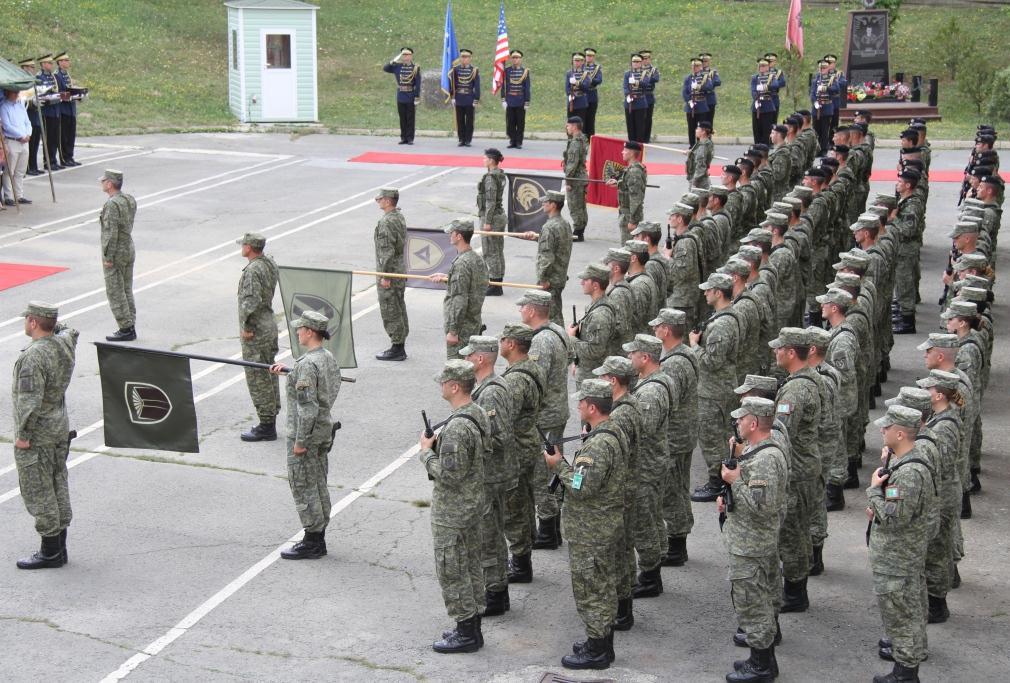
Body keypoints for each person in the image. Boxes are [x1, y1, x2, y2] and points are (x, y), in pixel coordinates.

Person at [546, 378, 626, 670]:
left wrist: (559, 466)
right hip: (601, 526)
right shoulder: (609, 431)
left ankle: (598, 649)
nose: (578, 405)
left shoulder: (599, 445)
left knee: (592, 589)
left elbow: (581, 486)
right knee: (600, 586)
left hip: (591, 530)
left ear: (592, 407)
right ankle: (599, 641)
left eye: (581, 402)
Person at [418, 359, 489, 653]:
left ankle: (466, 631)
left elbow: (450, 473)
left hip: (454, 511)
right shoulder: (476, 412)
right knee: (470, 565)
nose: (440, 386)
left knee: (453, 569)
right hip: (471, 505)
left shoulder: (458, 427)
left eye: (443, 382)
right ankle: (471, 625)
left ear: (455, 386)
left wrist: (426, 454)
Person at [720, 396, 788, 683]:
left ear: (754, 422)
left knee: (753, 602)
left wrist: (735, 482)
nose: (737, 421)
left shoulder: (765, 459)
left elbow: (762, 507)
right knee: (763, 598)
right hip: (754, 540)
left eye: (741, 417)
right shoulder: (758, 450)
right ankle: (762, 659)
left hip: (752, 544)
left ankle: (761, 666)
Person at [867, 405, 934, 683]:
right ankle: (906, 665)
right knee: (908, 611)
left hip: (898, 557)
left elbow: (894, 519)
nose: (881, 430)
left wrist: (873, 492)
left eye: (886, 427)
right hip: (902, 554)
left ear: (900, 433)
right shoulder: (904, 460)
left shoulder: (908, 473)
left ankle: (906, 674)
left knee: (902, 616)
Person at [266, 311, 341, 560]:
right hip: (322, 431)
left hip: (306, 435)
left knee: (303, 484)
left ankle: (313, 540)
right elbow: (326, 390)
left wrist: (300, 441)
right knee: (318, 481)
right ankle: (318, 534)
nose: (297, 332)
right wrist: (290, 375)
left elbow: (307, 407)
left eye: (300, 329)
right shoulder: (325, 358)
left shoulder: (307, 364)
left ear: (310, 332)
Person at [13, 302, 79, 570]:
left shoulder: (32, 357)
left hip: (38, 434)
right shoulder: (63, 345)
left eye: (27, 320)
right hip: (59, 429)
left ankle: (50, 551)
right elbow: (70, 331)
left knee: (39, 491)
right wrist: (53, 325)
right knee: (58, 483)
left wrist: (23, 436)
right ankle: (60, 548)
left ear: (32, 322)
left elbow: (30, 401)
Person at [460, 336, 515, 617]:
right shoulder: (486, 388)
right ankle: (496, 590)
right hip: (491, 474)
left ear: (480, 359)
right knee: (489, 532)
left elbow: (499, 435)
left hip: (491, 476)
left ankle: (494, 592)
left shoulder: (491, 392)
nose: (467, 360)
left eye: (469, 356)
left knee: (487, 535)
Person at [770, 327, 822, 613]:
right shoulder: (807, 380)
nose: (775, 352)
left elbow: (782, 432)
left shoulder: (797, 390)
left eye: (780, 348)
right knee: (798, 530)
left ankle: (794, 592)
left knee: (792, 532)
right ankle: (796, 588)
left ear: (792, 352)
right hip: (805, 464)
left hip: (796, 469)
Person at [520, 289, 573, 549]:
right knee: (554, 467)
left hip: (545, 417)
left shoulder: (540, 341)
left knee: (543, 472)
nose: (520, 311)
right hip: (558, 411)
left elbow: (535, 381)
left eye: (523, 307)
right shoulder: (559, 331)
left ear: (531, 310)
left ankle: (548, 530)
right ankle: (553, 526)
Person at [625, 334, 674, 599]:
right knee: (652, 517)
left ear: (644, 357)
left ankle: (650, 576)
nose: (629, 358)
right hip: (654, 461)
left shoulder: (651, 391)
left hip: (646, 465)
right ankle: (655, 564)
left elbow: (641, 430)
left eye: (633, 354)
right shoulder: (654, 381)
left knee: (644, 521)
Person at [652, 308, 698, 567]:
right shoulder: (684, 354)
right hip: (683, 434)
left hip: (675, 437)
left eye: (658, 327)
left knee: (672, 490)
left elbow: (667, 401)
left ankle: (677, 545)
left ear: (666, 330)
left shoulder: (674, 364)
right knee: (677, 487)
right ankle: (677, 540)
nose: (655, 330)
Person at [499, 323, 545, 585]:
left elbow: (506, 418)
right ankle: (522, 556)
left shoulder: (516, 379)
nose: (501, 342)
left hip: (516, 449)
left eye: (504, 339)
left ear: (513, 344)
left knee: (514, 507)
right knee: (524, 503)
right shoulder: (531, 367)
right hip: (528, 444)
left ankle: (519, 563)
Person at [690, 272, 740, 502]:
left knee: (712, 436)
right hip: (717, 387)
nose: (705, 293)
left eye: (708, 290)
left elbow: (711, 361)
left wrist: (694, 346)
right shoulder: (723, 317)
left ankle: (717, 481)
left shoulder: (722, 324)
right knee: (722, 435)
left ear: (718, 293)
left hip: (714, 390)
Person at [236, 232, 280, 442]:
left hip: (257, 328)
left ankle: (266, 424)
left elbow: (250, 301)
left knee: (257, 375)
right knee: (269, 371)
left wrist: (246, 326)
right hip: (268, 323)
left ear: (249, 248)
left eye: (243, 245)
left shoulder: (253, 270)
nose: (241, 248)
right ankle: (270, 416)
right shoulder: (268, 263)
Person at [431, 218, 489, 359]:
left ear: (459, 236)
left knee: (457, 371)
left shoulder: (461, 263)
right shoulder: (476, 258)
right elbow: (470, 286)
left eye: (452, 232)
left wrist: (453, 331)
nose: (449, 235)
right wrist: (448, 278)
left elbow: (459, 298)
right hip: (474, 323)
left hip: (462, 327)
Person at [99, 169, 138, 342]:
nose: (101, 183)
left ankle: (125, 327)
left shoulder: (112, 204)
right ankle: (130, 323)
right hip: (128, 248)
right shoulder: (128, 199)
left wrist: (108, 256)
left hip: (116, 252)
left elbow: (110, 232)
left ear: (109, 184)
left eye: (103, 181)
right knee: (126, 288)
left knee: (115, 290)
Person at [521, 190, 572, 324]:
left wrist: (543, 279)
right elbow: (557, 246)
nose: (543, 204)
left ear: (553, 205)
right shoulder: (564, 224)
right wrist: (537, 237)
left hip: (550, 279)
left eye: (546, 202)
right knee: (555, 312)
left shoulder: (549, 227)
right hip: (559, 276)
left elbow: (546, 255)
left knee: (551, 318)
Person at [373, 188, 409, 361]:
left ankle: (397, 348)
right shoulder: (398, 216)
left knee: (390, 308)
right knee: (398, 305)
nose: (377, 201)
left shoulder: (387, 222)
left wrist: (385, 276)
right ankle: (399, 344)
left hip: (390, 272)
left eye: (379, 199)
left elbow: (386, 251)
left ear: (387, 201)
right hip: (399, 270)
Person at [570, 263, 619, 385]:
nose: (581, 283)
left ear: (595, 285)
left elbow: (594, 351)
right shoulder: (596, 305)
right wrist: (577, 362)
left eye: (585, 280)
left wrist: (571, 338)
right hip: (589, 371)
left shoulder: (599, 315)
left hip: (593, 378)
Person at [477, 148, 507, 295]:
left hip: (492, 217)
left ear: (490, 160)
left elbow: (490, 201)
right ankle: (497, 281)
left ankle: (495, 284)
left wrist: (487, 222)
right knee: (498, 250)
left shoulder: (490, 178)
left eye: (485, 158)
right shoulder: (500, 175)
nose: (483, 161)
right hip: (499, 216)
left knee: (490, 251)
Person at [607, 140, 646, 244]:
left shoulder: (634, 172)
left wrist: (633, 220)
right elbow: (628, 187)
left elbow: (635, 197)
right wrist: (618, 183)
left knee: (629, 247)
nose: (622, 152)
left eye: (625, 150)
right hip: (627, 213)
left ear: (632, 153)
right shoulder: (631, 169)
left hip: (630, 215)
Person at [382, 48, 421, 145]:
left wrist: (416, 96)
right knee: (402, 117)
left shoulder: (415, 68)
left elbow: (418, 83)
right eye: (403, 55)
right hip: (401, 95)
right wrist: (393, 61)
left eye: (407, 55)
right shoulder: (397, 66)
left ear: (411, 56)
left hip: (410, 94)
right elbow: (385, 68)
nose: (405, 57)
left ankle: (410, 138)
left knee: (410, 118)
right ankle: (403, 138)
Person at [1, 88, 32, 205]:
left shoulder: (20, 106)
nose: (16, 94)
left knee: (20, 170)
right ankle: (9, 196)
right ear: (8, 93)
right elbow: (7, 126)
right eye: (14, 92)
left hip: (24, 141)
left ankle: (19, 195)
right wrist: (21, 135)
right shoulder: (4, 107)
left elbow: (27, 122)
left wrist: (28, 134)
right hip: (13, 140)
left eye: (17, 92)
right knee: (10, 170)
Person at [563, 115, 589, 241]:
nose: (566, 128)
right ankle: (580, 230)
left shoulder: (575, 143)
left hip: (575, 179)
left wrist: (568, 181)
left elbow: (572, 164)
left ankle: (578, 232)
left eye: (568, 125)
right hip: (582, 177)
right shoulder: (582, 139)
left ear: (574, 127)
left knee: (575, 206)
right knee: (581, 206)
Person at [448, 49, 479, 147]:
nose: (464, 59)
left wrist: (476, 99)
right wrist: (452, 96)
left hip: (469, 97)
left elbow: (476, 86)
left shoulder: (474, 70)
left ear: (470, 58)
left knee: (469, 120)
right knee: (460, 120)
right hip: (459, 97)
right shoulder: (455, 69)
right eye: (462, 57)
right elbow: (452, 84)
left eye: (466, 57)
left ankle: (468, 139)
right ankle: (461, 139)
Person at [35, 54, 61, 171]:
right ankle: (48, 161)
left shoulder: (52, 76)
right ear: (43, 64)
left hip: (55, 110)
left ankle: (53, 160)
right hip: (46, 112)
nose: (51, 65)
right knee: (48, 138)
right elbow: (41, 94)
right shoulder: (39, 77)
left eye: (51, 63)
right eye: (49, 63)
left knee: (54, 137)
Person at [53, 52, 79, 166]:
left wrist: (79, 94)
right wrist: (72, 95)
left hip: (71, 109)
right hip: (63, 109)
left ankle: (70, 156)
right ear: (60, 62)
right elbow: (58, 93)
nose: (68, 62)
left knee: (71, 134)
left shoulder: (66, 74)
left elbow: (70, 89)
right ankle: (64, 158)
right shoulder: (57, 75)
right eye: (66, 60)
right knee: (63, 136)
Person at [501, 50, 530, 149]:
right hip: (510, 100)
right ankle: (512, 140)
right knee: (510, 122)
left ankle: (519, 142)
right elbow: (503, 86)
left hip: (520, 100)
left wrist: (527, 101)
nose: (515, 60)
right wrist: (503, 99)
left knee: (520, 122)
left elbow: (527, 87)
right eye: (513, 58)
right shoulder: (507, 71)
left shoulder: (525, 71)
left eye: (517, 58)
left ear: (520, 59)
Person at [19, 58, 42, 176]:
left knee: (35, 143)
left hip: (35, 115)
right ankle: (28, 167)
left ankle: (33, 166)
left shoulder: (32, 80)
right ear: (25, 68)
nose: (34, 69)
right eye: (31, 67)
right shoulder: (22, 80)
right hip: (27, 114)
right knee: (29, 144)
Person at [683, 58, 714, 147]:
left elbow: (709, 87)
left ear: (700, 67)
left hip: (701, 105)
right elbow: (684, 92)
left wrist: (700, 86)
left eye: (696, 66)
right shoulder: (688, 78)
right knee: (691, 127)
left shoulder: (705, 77)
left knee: (701, 128)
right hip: (690, 105)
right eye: (693, 66)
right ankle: (692, 145)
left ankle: (700, 144)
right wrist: (689, 101)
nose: (694, 68)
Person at [810, 60, 839, 155]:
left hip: (826, 107)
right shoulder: (815, 80)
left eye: (824, 68)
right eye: (821, 68)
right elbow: (812, 93)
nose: (822, 70)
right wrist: (815, 102)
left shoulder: (832, 79)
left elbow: (836, 89)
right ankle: (817, 149)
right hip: (816, 108)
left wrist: (826, 88)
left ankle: (824, 149)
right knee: (816, 129)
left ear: (828, 68)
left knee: (824, 129)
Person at [751, 58, 778, 145]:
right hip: (757, 106)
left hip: (767, 106)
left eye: (764, 66)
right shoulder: (755, 77)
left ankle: (765, 147)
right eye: (760, 66)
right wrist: (756, 97)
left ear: (767, 67)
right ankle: (757, 147)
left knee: (766, 129)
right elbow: (753, 90)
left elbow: (775, 85)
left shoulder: (772, 76)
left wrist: (764, 87)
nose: (761, 68)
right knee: (756, 129)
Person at [623, 54, 648, 143]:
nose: (636, 63)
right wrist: (628, 95)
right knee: (630, 125)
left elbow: (646, 83)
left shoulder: (644, 73)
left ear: (641, 63)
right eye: (634, 61)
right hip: (630, 102)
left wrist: (636, 82)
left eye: (638, 62)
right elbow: (625, 86)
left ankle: (639, 145)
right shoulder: (627, 74)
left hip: (640, 102)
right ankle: (631, 144)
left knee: (640, 126)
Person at [687, 120, 714, 189]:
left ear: (703, 132)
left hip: (699, 180)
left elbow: (701, 164)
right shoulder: (705, 142)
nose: (696, 130)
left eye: (698, 129)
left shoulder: (703, 146)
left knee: (695, 198)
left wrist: (694, 181)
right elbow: (698, 155)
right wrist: (691, 153)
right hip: (701, 178)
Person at [640, 50, 659, 143]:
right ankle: (640, 136)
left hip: (648, 96)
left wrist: (645, 77)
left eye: (646, 58)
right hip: (640, 95)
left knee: (648, 118)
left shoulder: (653, 70)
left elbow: (656, 78)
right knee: (640, 118)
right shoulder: (637, 69)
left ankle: (646, 138)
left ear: (650, 59)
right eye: (643, 59)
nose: (645, 60)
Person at [566, 52, 590, 127]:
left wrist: (577, 83)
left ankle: (579, 138)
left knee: (580, 125)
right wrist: (570, 94)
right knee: (570, 124)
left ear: (582, 62)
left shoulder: (586, 74)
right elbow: (567, 87)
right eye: (575, 61)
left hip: (581, 101)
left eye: (578, 61)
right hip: (571, 102)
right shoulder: (569, 73)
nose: (576, 63)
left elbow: (586, 87)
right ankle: (570, 138)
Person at [583, 48, 603, 139]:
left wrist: (590, 80)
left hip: (592, 94)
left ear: (594, 57)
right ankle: (582, 138)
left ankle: (590, 139)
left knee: (591, 119)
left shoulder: (597, 68)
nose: (589, 58)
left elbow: (599, 80)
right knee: (582, 118)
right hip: (583, 94)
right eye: (587, 56)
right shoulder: (581, 67)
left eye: (591, 56)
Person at [699, 52, 721, 127]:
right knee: (700, 121)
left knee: (709, 121)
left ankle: (708, 137)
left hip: (710, 99)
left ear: (709, 62)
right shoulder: (698, 72)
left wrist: (709, 84)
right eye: (702, 61)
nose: (704, 63)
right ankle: (700, 137)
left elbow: (718, 82)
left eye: (705, 61)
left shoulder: (713, 72)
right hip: (700, 99)